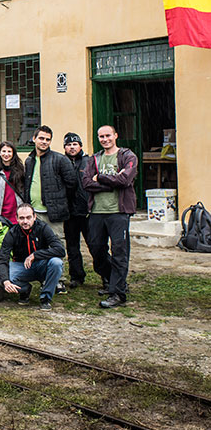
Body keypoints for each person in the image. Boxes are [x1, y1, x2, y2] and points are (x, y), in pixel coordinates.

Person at [81, 125, 138, 309]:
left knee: (120, 252)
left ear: (115, 135)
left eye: (108, 135)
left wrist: (101, 178)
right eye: (101, 136)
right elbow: (87, 183)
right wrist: (111, 184)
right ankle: (112, 280)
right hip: (97, 212)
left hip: (118, 212)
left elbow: (125, 180)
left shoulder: (127, 156)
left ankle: (117, 293)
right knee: (96, 250)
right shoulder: (94, 159)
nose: (105, 139)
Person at [0, 204, 66, 311]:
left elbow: (60, 250)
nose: (25, 221)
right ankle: (25, 290)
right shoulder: (12, 233)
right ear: (16, 219)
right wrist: (5, 281)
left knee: (56, 263)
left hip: (42, 265)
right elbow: (3, 259)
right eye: (21, 218)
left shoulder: (43, 228)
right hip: (22, 267)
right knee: (1, 277)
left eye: (28, 217)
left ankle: (45, 298)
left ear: (34, 217)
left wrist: (35, 255)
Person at [23, 125, 77, 242]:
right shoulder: (29, 160)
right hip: (34, 212)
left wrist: (59, 202)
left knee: (56, 242)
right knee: (36, 244)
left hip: (53, 213)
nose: (44, 142)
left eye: (48, 139)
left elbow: (72, 185)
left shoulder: (60, 159)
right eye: (41, 138)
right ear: (34, 139)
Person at [62, 132, 91, 289]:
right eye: (68, 145)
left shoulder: (89, 162)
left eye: (75, 144)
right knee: (72, 247)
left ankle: (106, 275)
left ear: (80, 146)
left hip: (87, 211)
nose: (72, 147)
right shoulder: (61, 162)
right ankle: (77, 276)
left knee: (95, 245)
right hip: (69, 212)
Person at [0, 140, 27, 223]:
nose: (6, 154)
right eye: (4, 151)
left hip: (18, 212)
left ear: (13, 153)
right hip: (0, 213)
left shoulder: (21, 170)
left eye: (9, 151)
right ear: (0, 153)